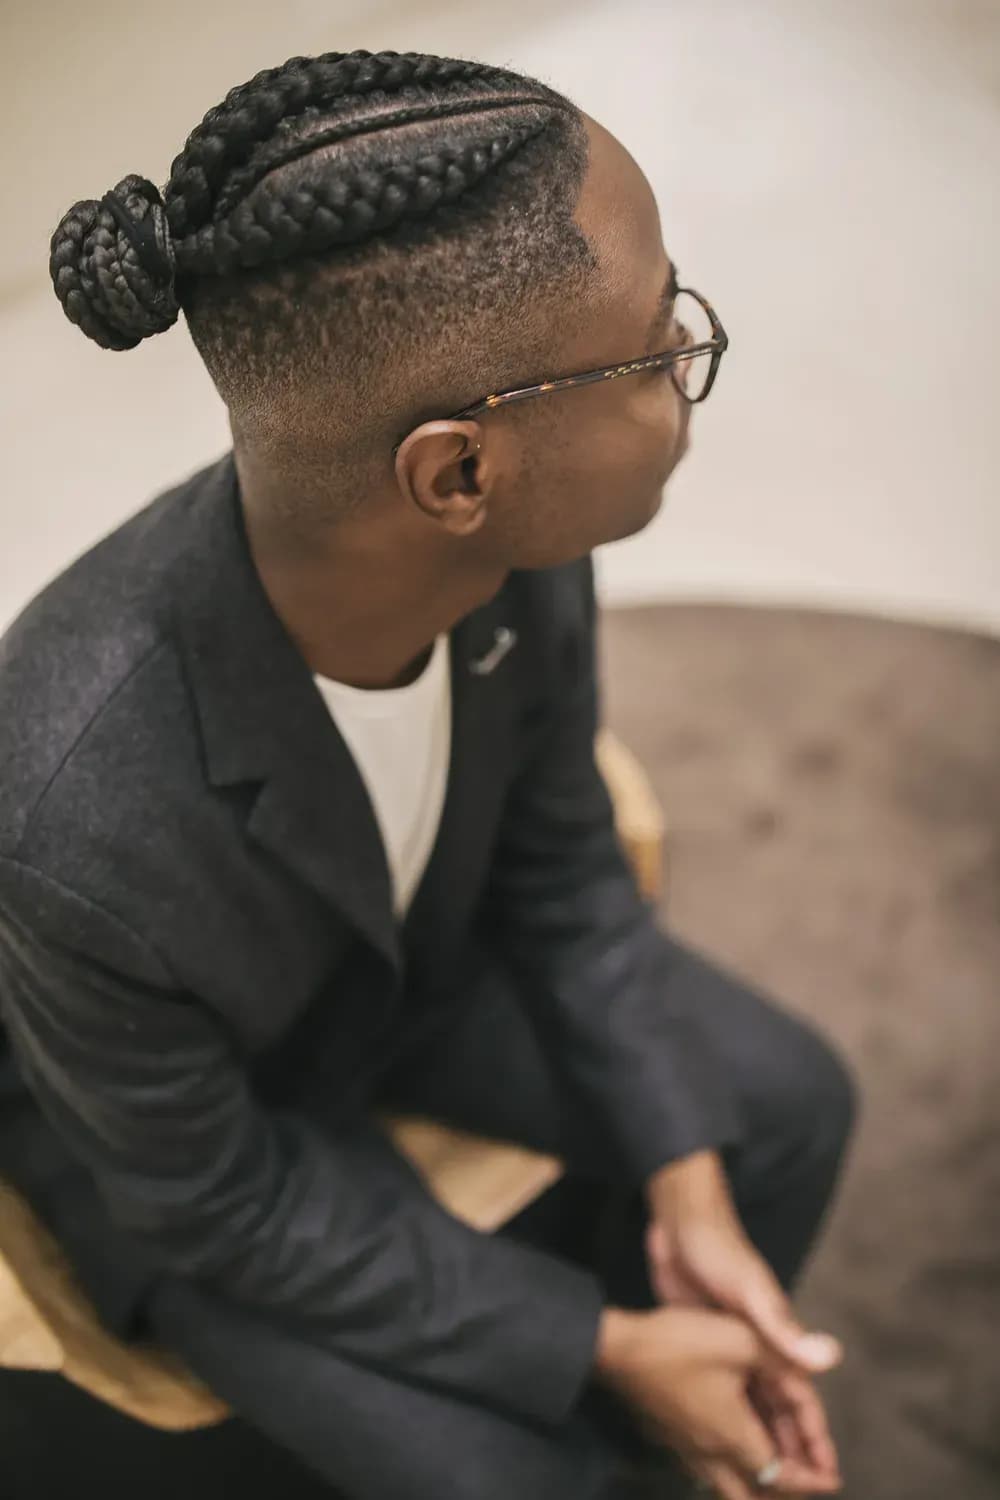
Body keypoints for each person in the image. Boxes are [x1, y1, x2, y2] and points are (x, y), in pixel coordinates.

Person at [0, 48, 856, 1500]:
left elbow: (563, 869)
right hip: (198, 1155)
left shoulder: (524, 552)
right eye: (658, 345)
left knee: (786, 1108)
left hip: (417, 978)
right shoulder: (66, 809)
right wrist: (602, 1345)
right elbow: (215, 1203)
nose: (688, 366)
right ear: (458, 473)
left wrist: (688, 1195)